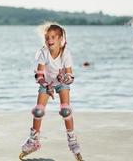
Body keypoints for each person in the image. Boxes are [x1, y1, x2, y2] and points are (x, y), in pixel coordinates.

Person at [19, 22, 84, 161]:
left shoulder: (65, 53)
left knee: (66, 110)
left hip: (61, 83)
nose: (49, 40)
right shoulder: (43, 52)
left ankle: (72, 141)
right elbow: (39, 75)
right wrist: (46, 85)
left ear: (61, 39)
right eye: (47, 37)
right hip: (47, 83)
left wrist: (65, 78)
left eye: (53, 37)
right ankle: (33, 141)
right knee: (38, 111)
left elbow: (71, 76)